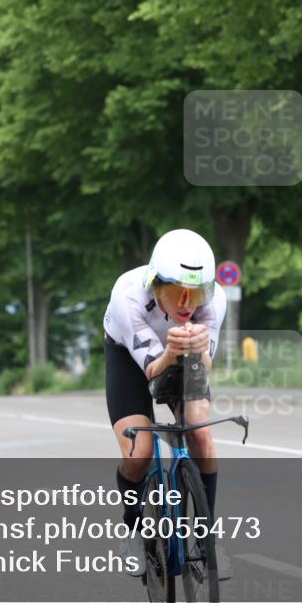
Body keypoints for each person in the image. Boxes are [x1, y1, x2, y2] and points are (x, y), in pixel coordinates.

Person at [103, 228, 230, 578]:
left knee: (201, 435)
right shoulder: (128, 297)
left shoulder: (214, 300)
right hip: (131, 359)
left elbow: (205, 367)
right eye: (177, 292)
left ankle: (206, 537)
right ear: (157, 284)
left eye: (197, 292)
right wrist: (172, 351)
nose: (188, 303)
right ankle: (131, 528)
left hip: (184, 353)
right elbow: (153, 373)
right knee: (139, 452)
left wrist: (199, 349)